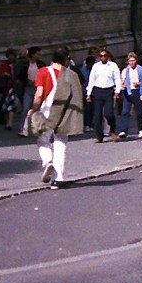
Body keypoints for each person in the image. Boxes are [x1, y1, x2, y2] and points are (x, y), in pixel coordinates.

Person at [31, 48, 84, 189]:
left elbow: (39, 93)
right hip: (64, 113)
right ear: (66, 59)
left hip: (47, 112)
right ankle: (58, 179)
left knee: (43, 140)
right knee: (60, 143)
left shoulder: (43, 71)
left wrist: (34, 109)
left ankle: (47, 161)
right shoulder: (70, 75)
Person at [85, 48, 121, 143]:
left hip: (108, 90)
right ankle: (99, 136)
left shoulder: (113, 66)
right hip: (98, 91)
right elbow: (91, 80)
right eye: (101, 56)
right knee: (97, 115)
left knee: (108, 113)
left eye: (105, 55)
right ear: (99, 57)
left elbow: (117, 79)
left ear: (107, 56)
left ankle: (112, 128)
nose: (103, 57)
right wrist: (88, 93)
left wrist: (117, 91)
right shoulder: (96, 66)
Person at [117, 52, 142, 139]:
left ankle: (141, 129)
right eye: (130, 61)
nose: (132, 63)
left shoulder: (141, 70)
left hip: (137, 91)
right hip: (128, 91)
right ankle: (123, 130)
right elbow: (122, 81)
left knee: (139, 112)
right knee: (125, 111)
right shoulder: (125, 71)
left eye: (133, 61)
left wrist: (140, 86)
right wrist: (122, 86)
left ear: (136, 61)